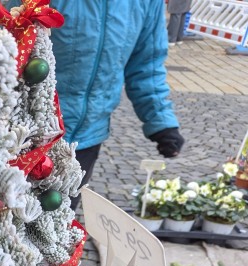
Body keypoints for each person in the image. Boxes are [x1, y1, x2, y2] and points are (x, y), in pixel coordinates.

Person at [49, 0, 185, 205]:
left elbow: (146, 64)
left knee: (59, 222)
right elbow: (10, 41)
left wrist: (161, 120)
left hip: (87, 138)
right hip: (31, 132)